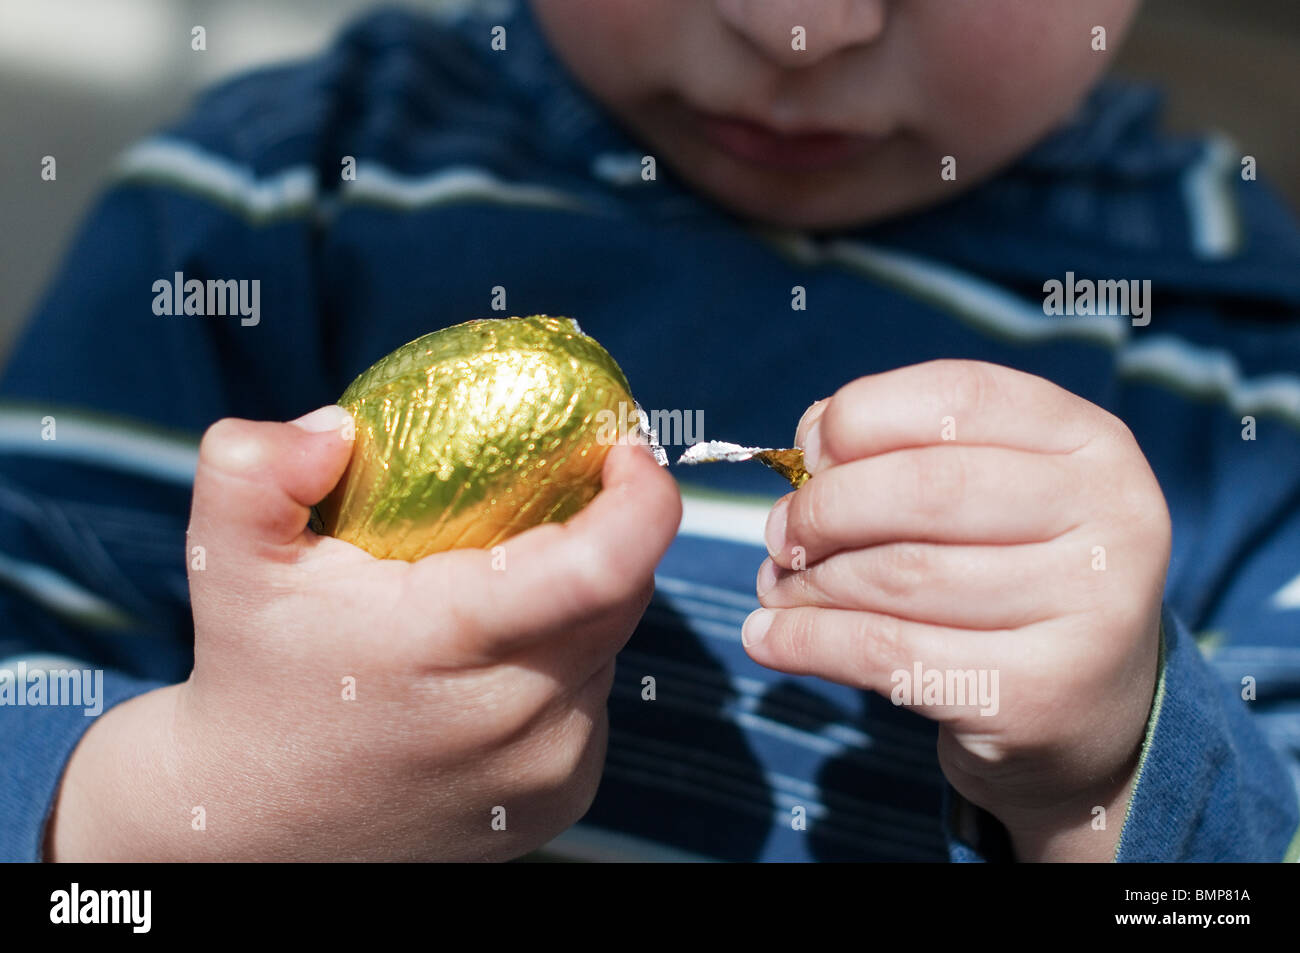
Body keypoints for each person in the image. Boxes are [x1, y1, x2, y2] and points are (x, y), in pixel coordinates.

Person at [2, 0, 1297, 862]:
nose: (800, 27)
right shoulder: (287, 192)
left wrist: (1117, 760)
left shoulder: (1242, 350)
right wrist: (185, 808)